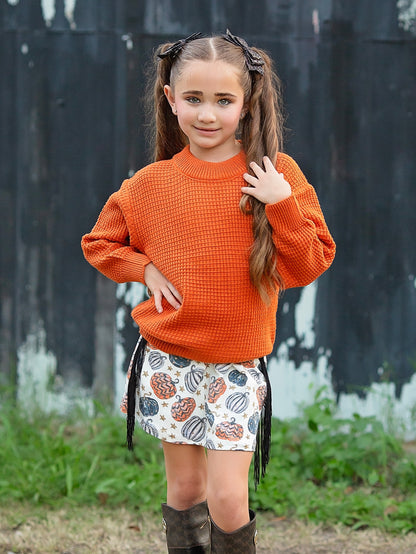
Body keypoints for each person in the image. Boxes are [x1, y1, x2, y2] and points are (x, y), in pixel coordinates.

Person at [81, 30, 335, 553]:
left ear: (246, 104)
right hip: (171, 360)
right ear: (171, 100)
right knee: (186, 489)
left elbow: (311, 263)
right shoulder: (151, 183)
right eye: (193, 99)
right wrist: (145, 268)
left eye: (224, 100)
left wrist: (280, 204)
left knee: (226, 497)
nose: (207, 114)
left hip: (237, 365)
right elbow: (98, 242)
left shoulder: (275, 174)